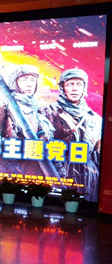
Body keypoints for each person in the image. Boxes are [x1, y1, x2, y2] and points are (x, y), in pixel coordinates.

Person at [43, 68, 102, 200]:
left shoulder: (95, 118)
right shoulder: (47, 113)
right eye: (70, 84)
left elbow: (98, 151)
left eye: (79, 84)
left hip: (89, 176)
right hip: (59, 172)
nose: (75, 88)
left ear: (84, 88)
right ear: (62, 88)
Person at [0, 65, 53, 141]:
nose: (29, 84)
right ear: (14, 83)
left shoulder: (39, 109)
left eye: (33, 80)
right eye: (24, 80)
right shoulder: (3, 106)